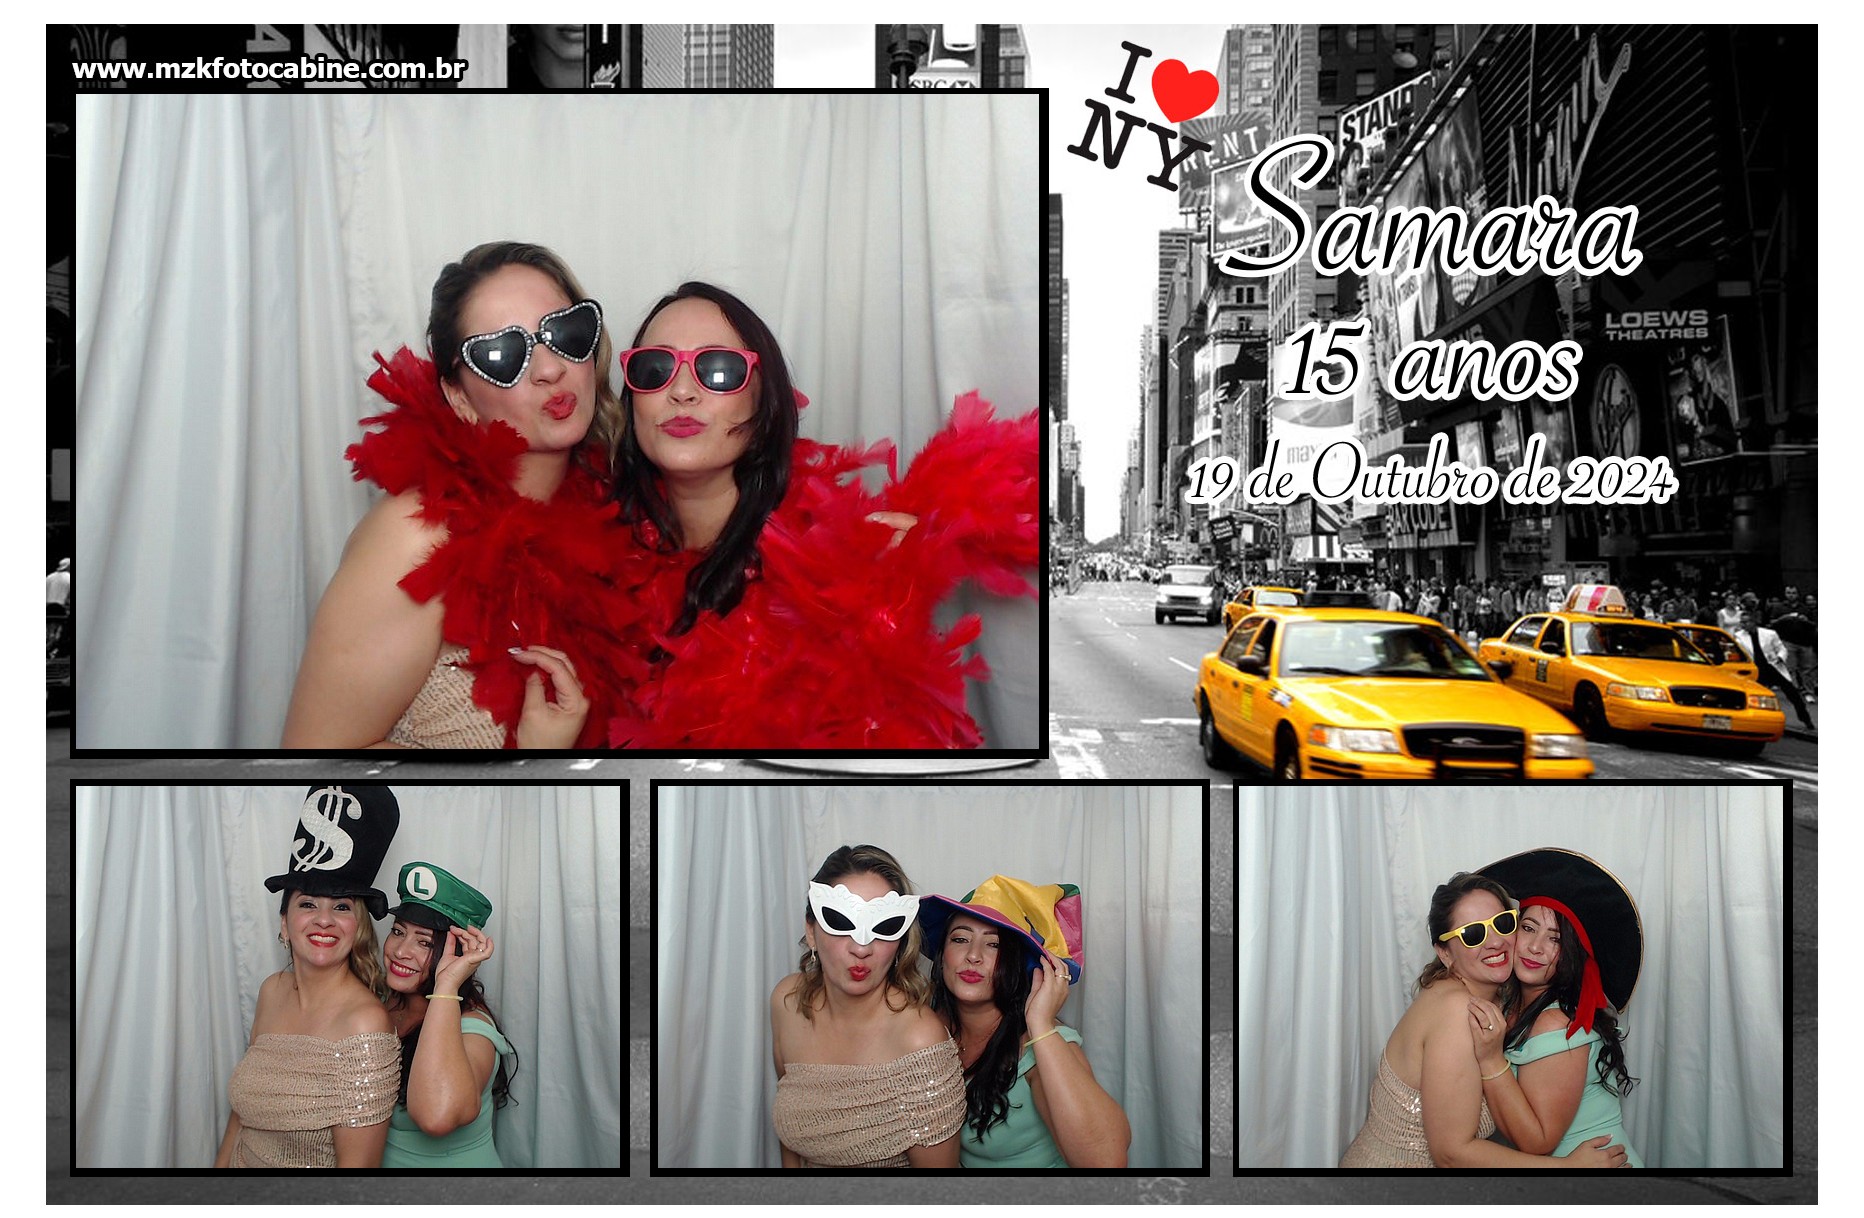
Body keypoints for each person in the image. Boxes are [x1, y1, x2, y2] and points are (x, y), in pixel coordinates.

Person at [604, 282, 1039, 749]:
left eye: (719, 370)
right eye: (654, 369)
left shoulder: (840, 582)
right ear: (632, 401)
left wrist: (882, 611)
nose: (682, 391)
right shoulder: (601, 569)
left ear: (765, 404)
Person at [283, 242, 633, 749]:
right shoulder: (414, 538)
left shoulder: (614, 524)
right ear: (459, 396)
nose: (550, 369)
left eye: (565, 332)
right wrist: (523, 776)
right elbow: (310, 769)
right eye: (503, 355)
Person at [1337, 871, 1628, 1168]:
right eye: (1473, 934)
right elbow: (1450, 1154)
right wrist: (1568, 1168)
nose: (1495, 942)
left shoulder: (1500, 1000)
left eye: (1502, 924)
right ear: (1444, 953)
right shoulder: (1457, 1011)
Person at [216, 786, 401, 1168]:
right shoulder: (272, 990)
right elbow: (241, 1118)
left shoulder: (364, 1024)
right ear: (284, 923)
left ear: (357, 927)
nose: (324, 919)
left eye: (342, 907)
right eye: (308, 904)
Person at [769, 845, 963, 1168]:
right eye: (839, 921)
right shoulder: (787, 1002)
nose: (862, 948)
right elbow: (792, 1134)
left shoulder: (920, 1042)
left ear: (901, 942)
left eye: (884, 927)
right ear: (811, 931)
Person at [920, 876, 1129, 1168]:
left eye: (994, 944)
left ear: (1019, 964)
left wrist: (1041, 1024)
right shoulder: (926, 1022)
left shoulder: (1042, 1045)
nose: (973, 956)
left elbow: (1106, 1162)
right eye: (960, 939)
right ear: (942, 956)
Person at [1466, 848, 1643, 1166]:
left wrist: (1490, 1059)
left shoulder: (1557, 1023)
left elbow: (1538, 1141)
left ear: (1572, 952)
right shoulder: (1510, 1003)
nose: (1535, 947)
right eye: (1529, 928)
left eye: (1555, 939)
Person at [379, 862, 517, 1168]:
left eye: (425, 942)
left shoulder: (474, 1031)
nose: (400, 951)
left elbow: (437, 1117)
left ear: (458, 953)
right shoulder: (380, 1004)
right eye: (397, 931)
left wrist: (447, 984)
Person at [1735, 607, 1813, 729]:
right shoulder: (1738, 636)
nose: (1743, 625)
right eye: (1741, 622)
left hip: (1773, 666)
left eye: (1746, 622)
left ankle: (1806, 720)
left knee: (1793, 694)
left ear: (1754, 622)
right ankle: (1755, 721)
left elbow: (1781, 648)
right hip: (1755, 669)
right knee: (1755, 696)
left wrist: (1780, 658)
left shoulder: (1769, 634)